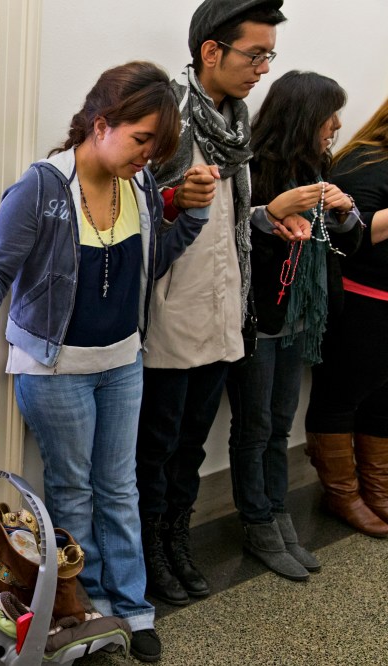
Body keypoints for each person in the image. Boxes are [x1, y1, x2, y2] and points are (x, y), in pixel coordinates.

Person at [0, 61, 215, 664]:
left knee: (120, 488)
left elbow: (151, 261)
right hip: (55, 369)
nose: (149, 156)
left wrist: (190, 215)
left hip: (124, 363)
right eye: (141, 140)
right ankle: (79, 607)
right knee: (74, 492)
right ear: (100, 124)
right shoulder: (41, 187)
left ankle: (133, 608)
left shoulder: (137, 187)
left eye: (156, 147)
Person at [134, 0, 302, 608]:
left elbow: (228, 220)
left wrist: (270, 214)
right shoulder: (169, 118)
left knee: (193, 442)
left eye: (268, 55)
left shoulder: (236, 119)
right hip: (170, 313)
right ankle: (150, 549)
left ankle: (178, 537)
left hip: (226, 308)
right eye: (254, 54)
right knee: (156, 445)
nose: (262, 68)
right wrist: (175, 196)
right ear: (211, 51)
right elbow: (130, 216)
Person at [226, 71, 361, 580]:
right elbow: (233, 243)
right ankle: (259, 524)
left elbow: (346, 240)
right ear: (305, 116)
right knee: (256, 427)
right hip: (260, 322)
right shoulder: (252, 168)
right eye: (330, 114)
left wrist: (345, 213)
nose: (337, 124)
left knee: (279, 426)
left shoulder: (317, 166)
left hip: (299, 319)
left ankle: (279, 517)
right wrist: (273, 220)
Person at [305, 96, 388, 537]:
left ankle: (377, 489)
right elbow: (351, 235)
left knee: (382, 398)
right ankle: (342, 494)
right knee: (341, 395)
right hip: (362, 300)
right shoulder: (364, 161)